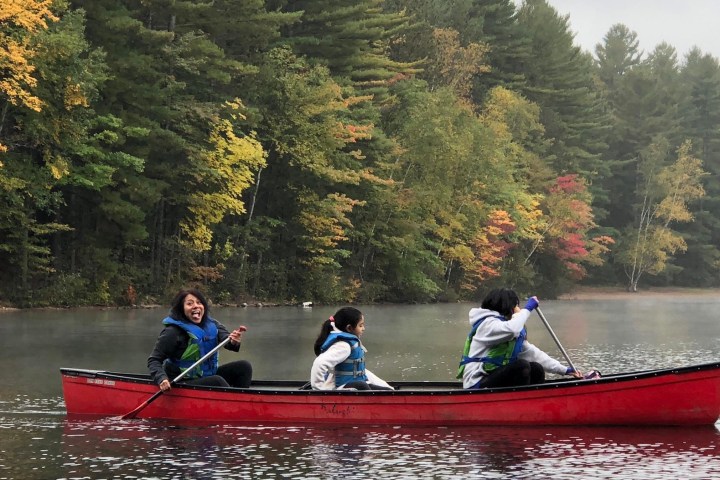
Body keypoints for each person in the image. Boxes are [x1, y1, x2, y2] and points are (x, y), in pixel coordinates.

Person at [458, 288, 582, 389]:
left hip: (494, 378)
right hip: (477, 382)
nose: (517, 309)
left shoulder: (511, 328)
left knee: (536, 368)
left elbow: (535, 354)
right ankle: (517, 406)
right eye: (515, 306)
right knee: (521, 366)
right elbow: (512, 329)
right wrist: (526, 310)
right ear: (507, 306)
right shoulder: (487, 325)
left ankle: (532, 404)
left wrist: (565, 370)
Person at [148, 288, 253, 391]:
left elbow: (227, 339)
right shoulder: (173, 332)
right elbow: (154, 360)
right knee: (217, 381)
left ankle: (242, 401)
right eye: (189, 304)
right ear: (181, 309)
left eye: (199, 302)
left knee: (244, 367)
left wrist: (233, 341)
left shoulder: (212, 324)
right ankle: (234, 406)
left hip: (206, 375)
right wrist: (162, 378)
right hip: (181, 381)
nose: (196, 306)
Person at [310, 307, 393, 390]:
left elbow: (360, 372)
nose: (363, 328)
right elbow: (319, 363)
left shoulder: (350, 344)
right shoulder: (343, 346)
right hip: (342, 388)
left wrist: (386, 386)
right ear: (349, 328)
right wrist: (319, 390)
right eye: (360, 325)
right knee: (361, 386)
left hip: (355, 385)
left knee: (387, 391)